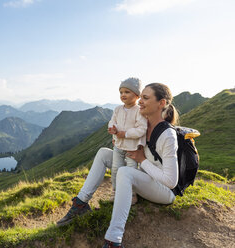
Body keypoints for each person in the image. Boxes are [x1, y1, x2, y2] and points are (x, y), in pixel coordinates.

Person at [56, 83, 179, 248]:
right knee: (103, 153)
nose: (140, 101)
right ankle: (81, 204)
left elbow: (171, 181)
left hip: (164, 191)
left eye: (145, 98)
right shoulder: (144, 124)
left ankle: (114, 239)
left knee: (124, 172)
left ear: (161, 103)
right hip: (143, 178)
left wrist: (142, 160)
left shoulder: (167, 135)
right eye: (140, 96)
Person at [108, 77, 147, 204]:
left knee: (131, 171)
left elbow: (141, 129)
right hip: (118, 146)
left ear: (137, 95)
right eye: (121, 92)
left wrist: (125, 134)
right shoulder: (117, 109)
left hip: (132, 148)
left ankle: (132, 195)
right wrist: (112, 130)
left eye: (127, 92)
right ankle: (115, 192)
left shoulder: (139, 111)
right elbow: (112, 122)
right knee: (115, 169)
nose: (123, 95)